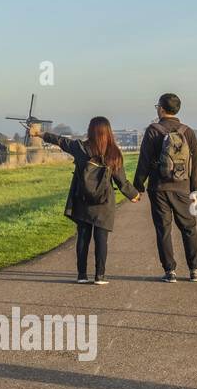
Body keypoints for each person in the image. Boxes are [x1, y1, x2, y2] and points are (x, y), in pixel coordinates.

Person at [32, 117, 140, 285]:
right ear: (109, 132)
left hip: (83, 199)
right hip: (104, 202)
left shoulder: (80, 148)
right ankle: (100, 276)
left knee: (83, 236)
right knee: (101, 239)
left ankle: (82, 275)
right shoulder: (113, 153)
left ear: (90, 130)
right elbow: (121, 181)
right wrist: (133, 195)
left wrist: (39, 133)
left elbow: (61, 141)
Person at [133, 92, 197, 283]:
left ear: (162, 109)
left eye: (157, 106)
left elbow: (144, 161)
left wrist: (138, 185)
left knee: (163, 229)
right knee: (189, 227)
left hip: (159, 187)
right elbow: (195, 164)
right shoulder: (187, 131)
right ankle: (195, 270)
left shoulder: (153, 130)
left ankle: (170, 271)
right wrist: (195, 191)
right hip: (183, 187)